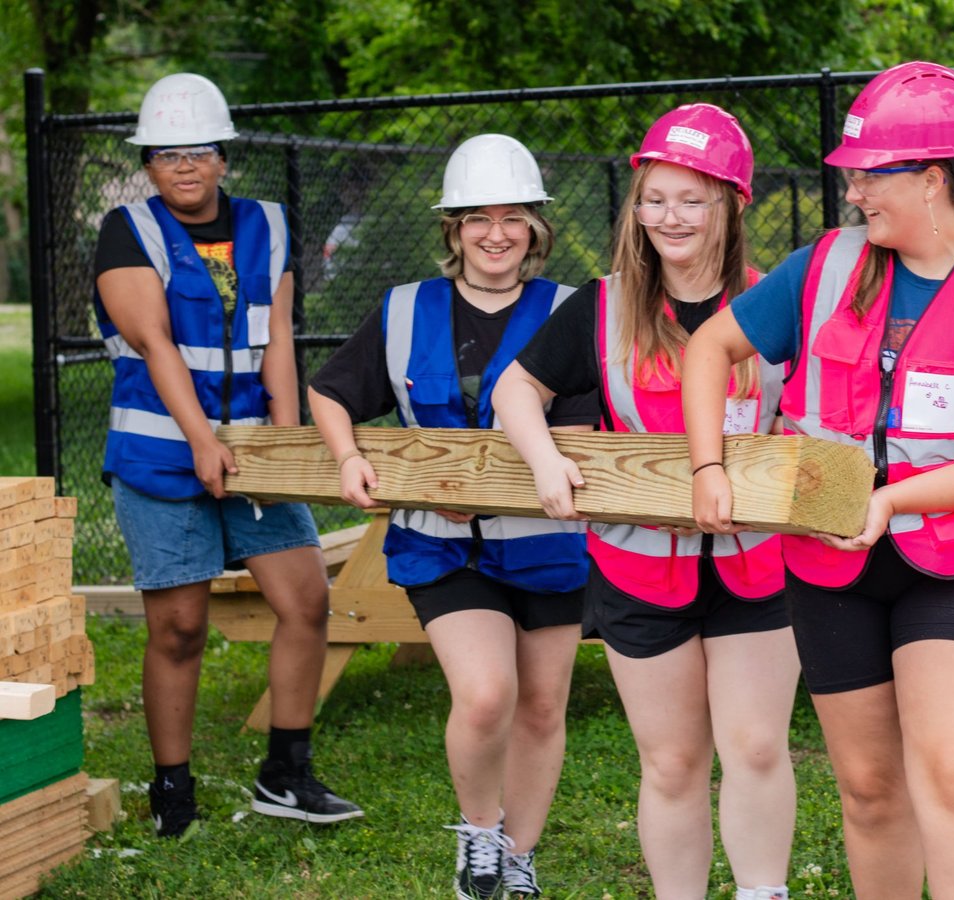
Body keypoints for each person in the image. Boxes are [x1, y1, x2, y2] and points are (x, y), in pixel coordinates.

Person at [683, 62, 954, 899]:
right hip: (830, 566)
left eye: (870, 173)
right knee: (868, 790)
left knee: (953, 775)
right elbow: (707, 349)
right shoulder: (824, 267)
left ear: (934, 179)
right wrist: (709, 465)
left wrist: (893, 500)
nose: (855, 191)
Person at [493, 104, 799, 900]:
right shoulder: (602, 306)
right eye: (656, 197)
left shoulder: (780, 305)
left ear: (734, 205)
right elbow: (515, 390)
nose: (671, 217)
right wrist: (546, 461)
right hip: (637, 567)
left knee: (759, 746)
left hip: (758, 567)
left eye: (693, 199)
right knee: (670, 761)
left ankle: (764, 891)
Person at [307, 133, 595, 900]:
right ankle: (479, 838)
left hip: (548, 548)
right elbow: (331, 392)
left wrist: (518, 473)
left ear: (536, 227)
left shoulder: (573, 311)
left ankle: (521, 856)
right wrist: (347, 457)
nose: (495, 234)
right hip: (441, 549)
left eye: (512, 218)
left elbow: (591, 432)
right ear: (451, 229)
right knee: (486, 695)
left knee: (540, 706)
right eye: (477, 218)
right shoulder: (404, 309)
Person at [93, 73, 361, 838]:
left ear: (222, 158)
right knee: (179, 628)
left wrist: (280, 439)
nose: (184, 165)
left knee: (306, 600)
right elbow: (156, 343)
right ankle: (172, 791)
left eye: (199, 151)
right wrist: (203, 442)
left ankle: (287, 772)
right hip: (162, 460)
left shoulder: (266, 225)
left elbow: (276, 338)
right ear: (148, 164)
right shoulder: (128, 231)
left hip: (252, 455)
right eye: (166, 154)